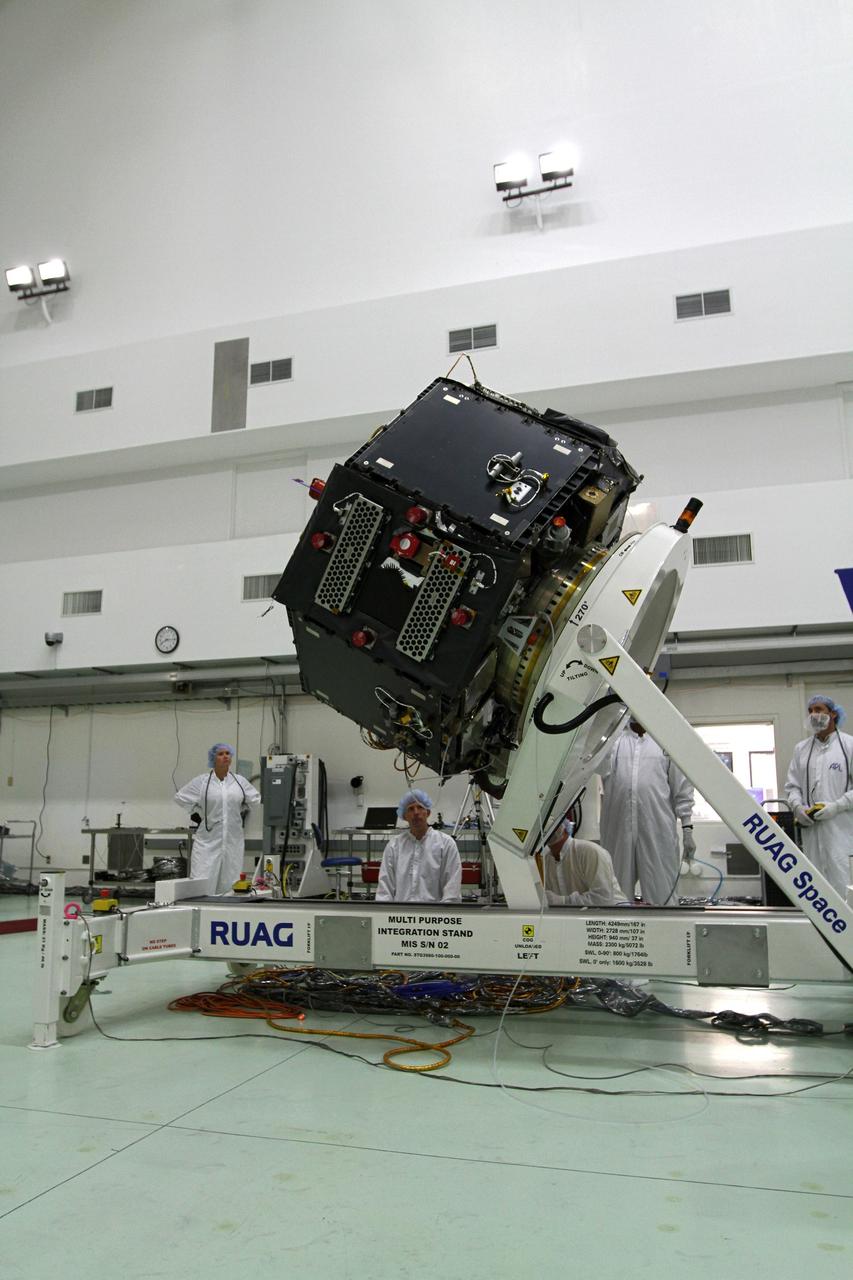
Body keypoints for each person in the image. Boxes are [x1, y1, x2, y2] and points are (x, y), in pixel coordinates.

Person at [598, 719, 695, 905]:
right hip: (617, 830)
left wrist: (687, 827)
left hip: (657, 829)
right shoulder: (615, 740)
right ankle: (619, 933)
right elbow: (596, 766)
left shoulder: (665, 742)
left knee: (663, 892)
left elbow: (682, 787)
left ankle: (665, 932)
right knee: (615, 893)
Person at [785, 695, 853, 898]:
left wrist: (836, 806)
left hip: (841, 831)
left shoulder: (849, 746)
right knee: (815, 886)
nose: (815, 714)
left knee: (843, 884)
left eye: (820, 709)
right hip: (811, 832)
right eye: (811, 710)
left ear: (833, 713)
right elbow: (792, 786)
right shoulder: (802, 749)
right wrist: (797, 807)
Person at [174, 743, 260, 894]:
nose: (225, 756)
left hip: (233, 841)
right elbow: (180, 798)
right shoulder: (202, 782)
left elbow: (255, 799)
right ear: (213, 758)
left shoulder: (239, 781)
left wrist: (242, 807)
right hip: (208, 840)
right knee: (203, 879)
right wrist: (198, 811)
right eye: (221, 754)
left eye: (228, 753)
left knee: (230, 882)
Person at [375, 789, 462, 903]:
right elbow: (385, 887)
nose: (416, 812)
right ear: (404, 816)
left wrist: (444, 914)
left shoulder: (445, 844)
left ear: (428, 812)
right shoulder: (394, 846)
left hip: (434, 915)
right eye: (411, 809)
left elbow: (452, 888)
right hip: (400, 915)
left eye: (420, 807)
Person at [539, 819, 631, 907]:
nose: (547, 830)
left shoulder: (589, 851)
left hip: (615, 916)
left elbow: (603, 899)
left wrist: (564, 901)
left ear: (564, 828)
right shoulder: (547, 861)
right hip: (581, 916)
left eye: (552, 824)